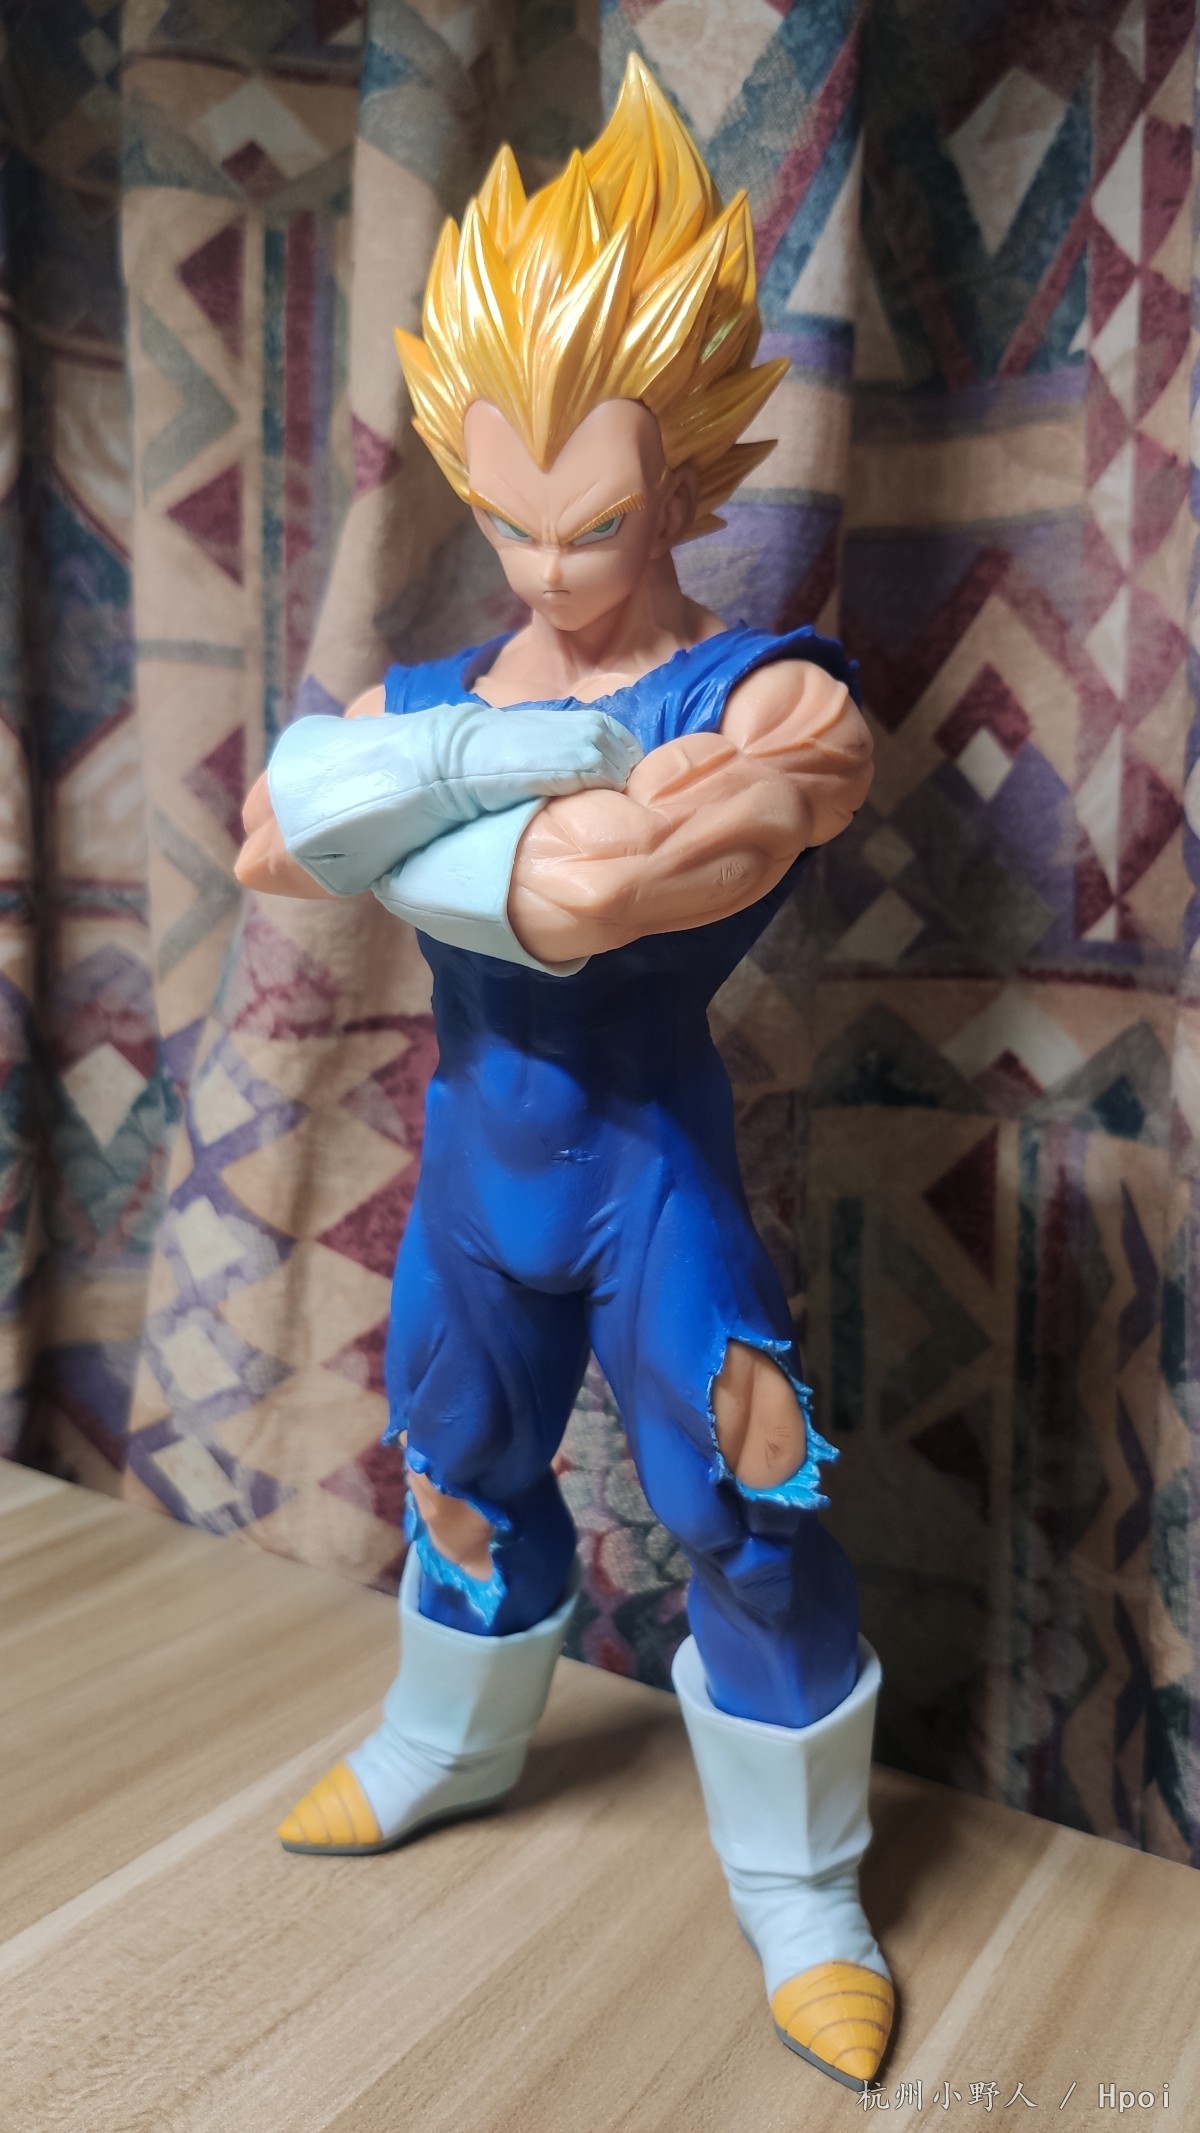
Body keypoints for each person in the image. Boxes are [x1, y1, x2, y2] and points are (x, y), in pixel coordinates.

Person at [236, 55, 892, 2093]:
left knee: (749, 1493)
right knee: (453, 1463)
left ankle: (805, 1887)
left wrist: (397, 800)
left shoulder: (765, 693)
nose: (537, 569)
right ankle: (448, 1738)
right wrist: (481, 767)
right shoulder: (426, 690)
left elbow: (617, 890)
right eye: (502, 518)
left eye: (589, 524)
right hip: (472, 1173)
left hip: (645, 1173)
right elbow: (267, 842)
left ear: (683, 475)